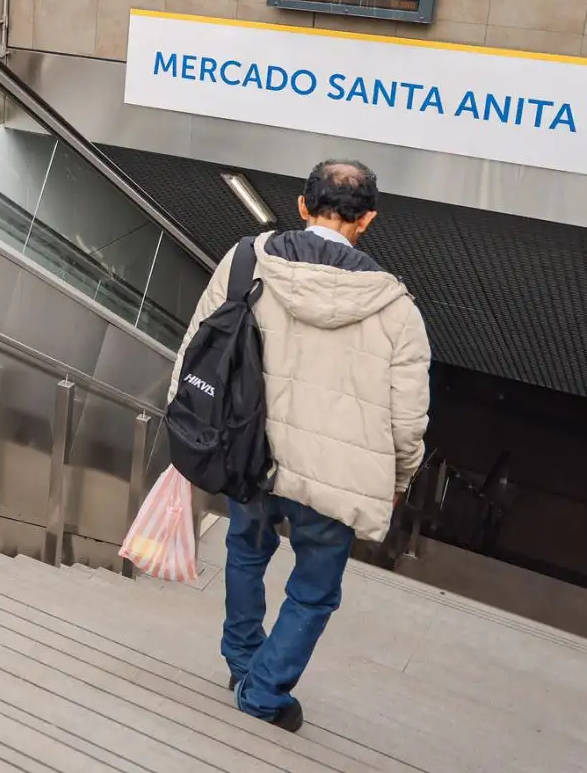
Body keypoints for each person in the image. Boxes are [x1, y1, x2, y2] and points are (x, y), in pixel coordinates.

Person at [169, 160, 428, 733]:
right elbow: (408, 421)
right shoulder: (398, 310)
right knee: (313, 592)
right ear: (368, 222)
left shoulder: (244, 262)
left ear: (303, 206)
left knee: (245, 552)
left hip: (250, 453)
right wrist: (399, 482)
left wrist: (186, 429)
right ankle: (263, 692)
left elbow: (197, 348)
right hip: (336, 479)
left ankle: (242, 663)